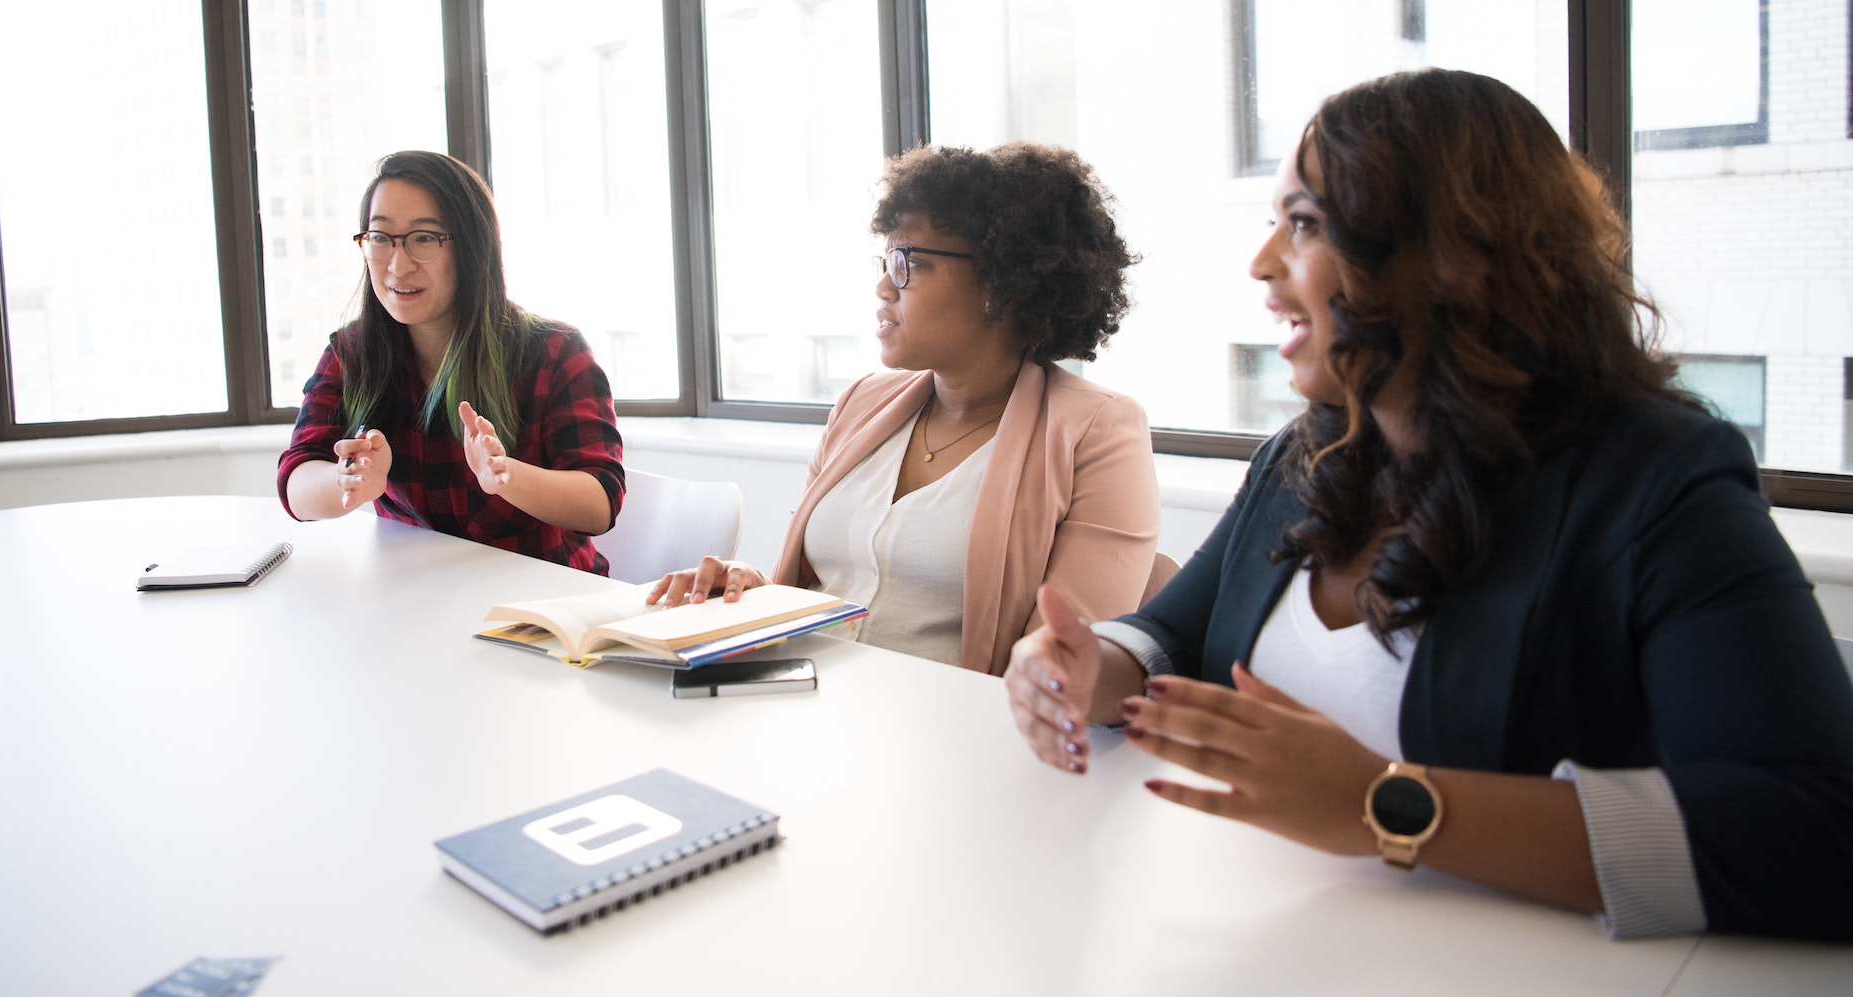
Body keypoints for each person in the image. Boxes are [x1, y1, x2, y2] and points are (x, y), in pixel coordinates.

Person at [1004, 69, 1853, 940]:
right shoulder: (1307, 452)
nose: (1262, 264)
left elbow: (1816, 826)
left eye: (1303, 225)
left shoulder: (1658, 480)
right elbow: (1176, 639)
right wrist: (1085, 669)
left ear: (1449, 254)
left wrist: (1388, 803)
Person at [648, 142, 1159, 675]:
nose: (882, 287)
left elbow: (1063, 670)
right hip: (797, 704)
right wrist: (752, 593)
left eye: (906, 263)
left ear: (1005, 289)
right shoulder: (860, 404)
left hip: (951, 739)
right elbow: (820, 588)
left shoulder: (1098, 432)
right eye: (885, 261)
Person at [278, 151, 625, 573]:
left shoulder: (554, 351)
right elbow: (296, 481)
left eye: (424, 238)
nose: (398, 265)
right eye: (381, 237)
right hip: (419, 601)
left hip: (542, 610)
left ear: (471, 247)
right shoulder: (352, 353)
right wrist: (346, 481)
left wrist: (506, 476)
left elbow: (600, 503)